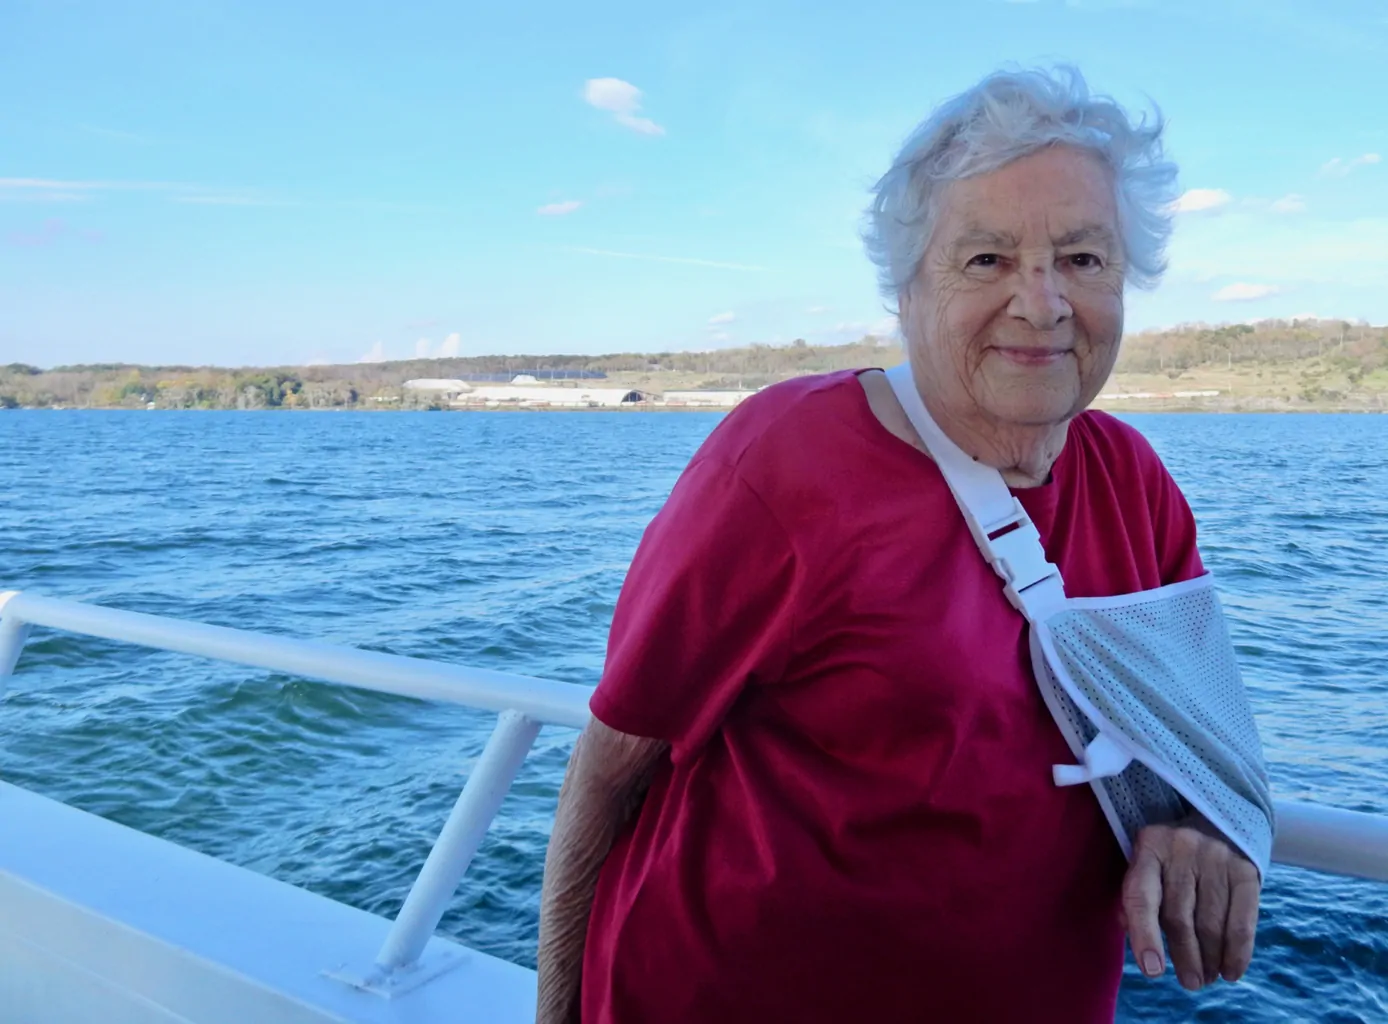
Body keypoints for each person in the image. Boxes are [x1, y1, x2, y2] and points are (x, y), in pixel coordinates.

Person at [535, 66, 1263, 1024]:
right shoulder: (785, 464)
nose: (1042, 304)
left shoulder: (1135, 485)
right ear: (909, 286)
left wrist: (1199, 822)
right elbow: (614, 763)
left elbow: (1197, 742)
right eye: (988, 260)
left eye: (1083, 259)